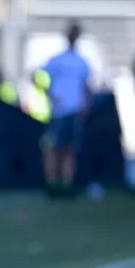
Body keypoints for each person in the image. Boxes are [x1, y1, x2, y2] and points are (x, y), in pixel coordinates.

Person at [41, 22, 92, 197]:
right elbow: (39, 76)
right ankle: (53, 183)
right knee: (53, 148)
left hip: (74, 110)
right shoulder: (56, 60)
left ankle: (66, 183)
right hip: (58, 110)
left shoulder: (81, 61)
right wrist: (50, 95)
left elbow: (86, 85)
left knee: (70, 149)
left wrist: (85, 103)